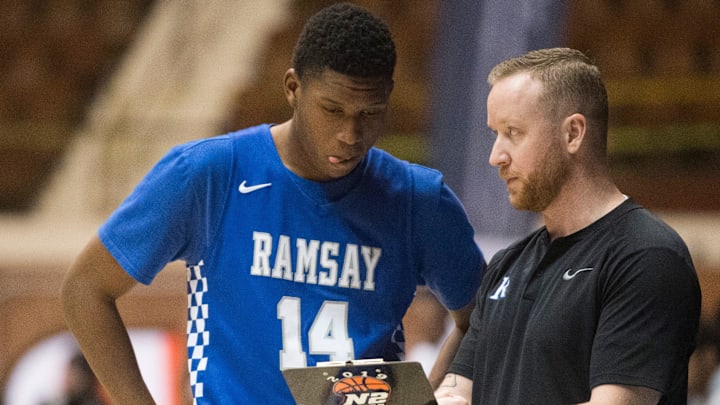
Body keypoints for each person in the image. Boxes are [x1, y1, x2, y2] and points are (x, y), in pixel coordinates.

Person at [61, 3, 485, 404]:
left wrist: (431, 396)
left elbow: (482, 320)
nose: (350, 134)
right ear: (293, 88)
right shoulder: (210, 173)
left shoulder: (418, 199)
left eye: (369, 113)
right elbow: (86, 289)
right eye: (332, 110)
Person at [434, 47, 701, 404]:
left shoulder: (646, 256)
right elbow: (459, 390)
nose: (495, 156)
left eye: (513, 132)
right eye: (494, 134)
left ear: (573, 133)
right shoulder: (505, 265)